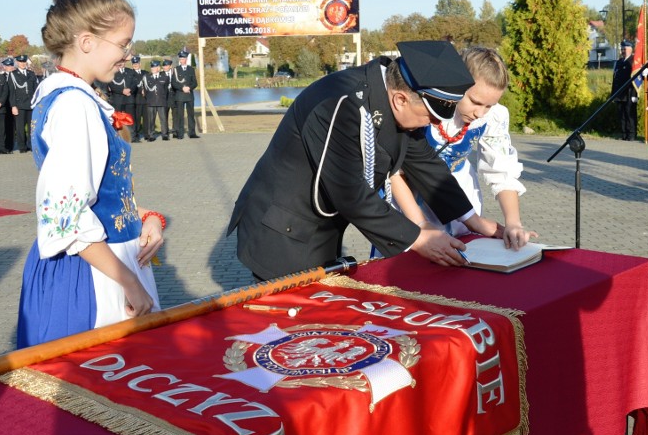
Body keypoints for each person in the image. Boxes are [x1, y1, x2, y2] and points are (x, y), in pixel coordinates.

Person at [227, 40, 499, 280]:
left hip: (321, 231)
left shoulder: (391, 99)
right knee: (292, 330)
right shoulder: (339, 104)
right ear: (401, 100)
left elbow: (426, 162)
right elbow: (351, 193)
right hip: (282, 234)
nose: (429, 125)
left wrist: (474, 221)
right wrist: (418, 238)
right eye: (429, 118)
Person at [17, 0, 162, 348]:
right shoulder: (73, 106)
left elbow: (100, 198)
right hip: (91, 275)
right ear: (86, 42)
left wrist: (148, 218)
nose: (128, 54)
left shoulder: (78, 97)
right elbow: (63, 217)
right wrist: (128, 281)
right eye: (123, 43)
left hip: (106, 262)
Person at [390, 46, 536, 248]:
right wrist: (419, 225)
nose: (480, 113)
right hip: (409, 199)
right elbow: (395, 172)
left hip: (461, 196)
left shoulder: (494, 116)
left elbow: (501, 170)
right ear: (457, 84)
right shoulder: (425, 109)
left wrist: (513, 222)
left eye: (489, 105)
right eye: (475, 102)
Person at [8, 54, 39, 153]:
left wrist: (36, 103)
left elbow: (35, 89)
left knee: (31, 127)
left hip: (30, 104)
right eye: (20, 62)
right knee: (20, 127)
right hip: (19, 105)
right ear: (17, 62)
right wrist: (13, 106)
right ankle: (22, 146)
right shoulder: (13, 74)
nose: (22, 63)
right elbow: (11, 91)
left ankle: (30, 144)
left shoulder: (31, 73)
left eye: (24, 61)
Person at [612, 40, 638, 141]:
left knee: (629, 114)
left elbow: (636, 80)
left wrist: (635, 94)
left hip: (630, 92)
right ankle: (623, 134)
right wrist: (613, 94)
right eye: (622, 49)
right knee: (621, 114)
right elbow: (615, 79)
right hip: (619, 93)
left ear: (630, 49)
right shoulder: (619, 62)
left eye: (625, 49)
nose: (623, 51)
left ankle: (631, 134)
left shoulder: (634, 62)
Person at [171, 50, 198, 139]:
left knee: (191, 115)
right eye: (180, 59)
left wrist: (189, 88)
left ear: (186, 59)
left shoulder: (191, 69)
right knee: (180, 115)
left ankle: (192, 133)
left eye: (183, 58)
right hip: (180, 95)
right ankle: (180, 133)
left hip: (189, 95)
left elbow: (195, 83)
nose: (182, 60)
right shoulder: (176, 69)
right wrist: (182, 88)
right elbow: (174, 83)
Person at [141, 60, 170, 141]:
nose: (152, 68)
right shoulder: (146, 77)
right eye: (152, 67)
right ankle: (151, 135)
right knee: (151, 120)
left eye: (154, 67)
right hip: (151, 101)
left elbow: (165, 90)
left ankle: (165, 134)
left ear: (158, 68)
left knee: (163, 119)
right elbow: (144, 90)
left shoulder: (165, 77)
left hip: (161, 101)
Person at [131, 57, 147, 143]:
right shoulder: (130, 74)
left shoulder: (145, 73)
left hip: (145, 99)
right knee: (137, 119)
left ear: (140, 64)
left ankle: (147, 134)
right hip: (136, 99)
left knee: (146, 118)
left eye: (137, 64)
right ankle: (136, 135)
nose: (135, 65)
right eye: (134, 64)